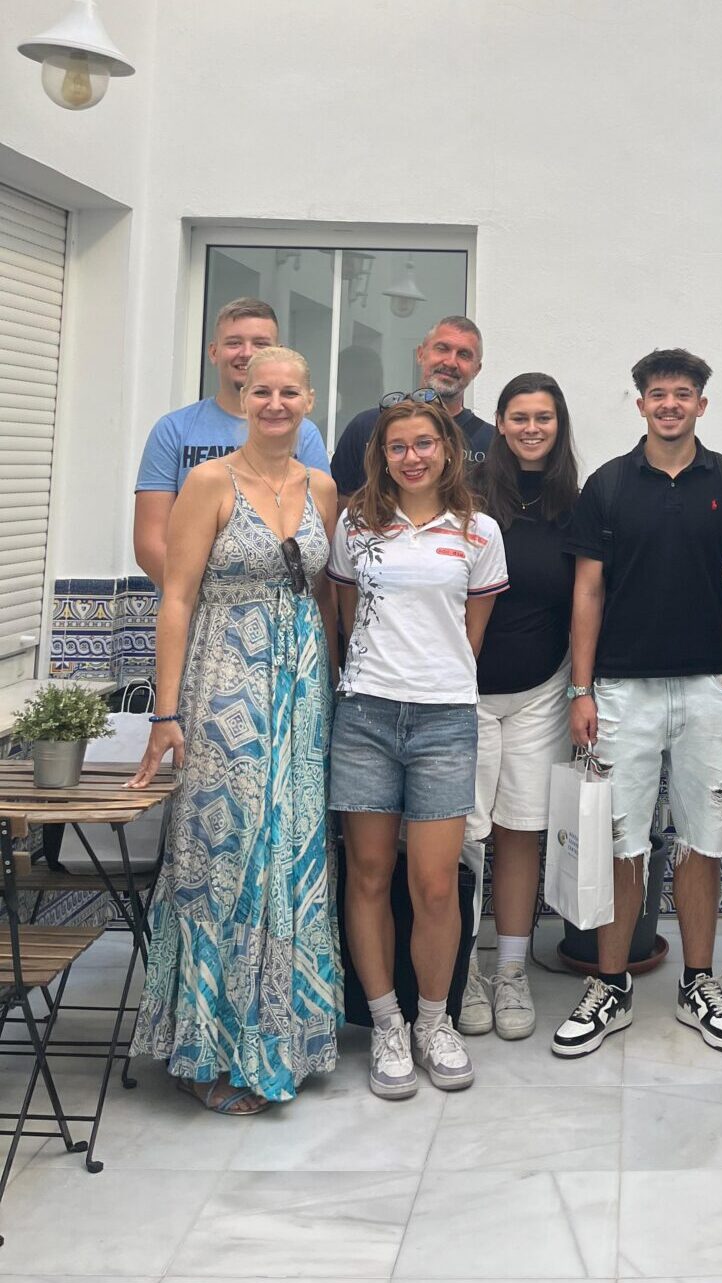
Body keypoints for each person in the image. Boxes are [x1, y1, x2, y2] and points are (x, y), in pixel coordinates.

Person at [126, 346, 342, 1114]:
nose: (275, 403)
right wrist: (166, 713)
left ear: (309, 401)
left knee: (292, 854)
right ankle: (205, 1050)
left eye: (289, 392)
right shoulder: (209, 483)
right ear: (242, 398)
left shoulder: (323, 488)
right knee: (223, 854)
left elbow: (323, 596)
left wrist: (332, 685)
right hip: (225, 689)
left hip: (302, 694)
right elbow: (177, 598)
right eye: (262, 392)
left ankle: (285, 1036)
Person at [552, 348, 722, 1058]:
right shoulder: (609, 485)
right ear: (640, 402)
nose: (669, 404)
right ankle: (610, 985)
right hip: (622, 688)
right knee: (622, 839)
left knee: (704, 838)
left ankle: (697, 982)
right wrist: (581, 687)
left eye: (682, 393)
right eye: (657, 393)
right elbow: (588, 589)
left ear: (701, 403)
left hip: (709, 688)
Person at [327, 395, 508, 1100]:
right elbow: (345, 618)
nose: (411, 457)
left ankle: (435, 1021)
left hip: (444, 721)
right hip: (365, 716)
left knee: (434, 883)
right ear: (382, 454)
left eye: (424, 444)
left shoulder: (479, 530)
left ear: (448, 450)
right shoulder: (354, 525)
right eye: (397, 446)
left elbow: (472, 633)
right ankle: (386, 1024)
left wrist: (434, 680)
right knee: (369, 875)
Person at [457, 373, 580, 1041]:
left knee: (520, 833)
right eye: (520, 417)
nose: (532, 428)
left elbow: (587, 600)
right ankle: (462, 972)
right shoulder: (465, 496)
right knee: (463, 837)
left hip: (542, 693)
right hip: (465, 692)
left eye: (545, 418)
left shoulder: (574, 505)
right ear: (499, 423)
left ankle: (509, 970)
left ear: (559, 427)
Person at [133, 298, 330, 587]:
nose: (247, 353)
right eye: (234, 343)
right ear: (213, 352)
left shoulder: (305, 434)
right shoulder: (174, 430)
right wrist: (209, 601)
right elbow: (150, 542)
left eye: (260, 344)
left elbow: (319, 536)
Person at [330, 315, 493, 500]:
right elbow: (339, 501)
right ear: (421, 354)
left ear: (476, 369)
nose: (450, 362)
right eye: (442, 349)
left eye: (464, 355)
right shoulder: (366, 426)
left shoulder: (492, 443)